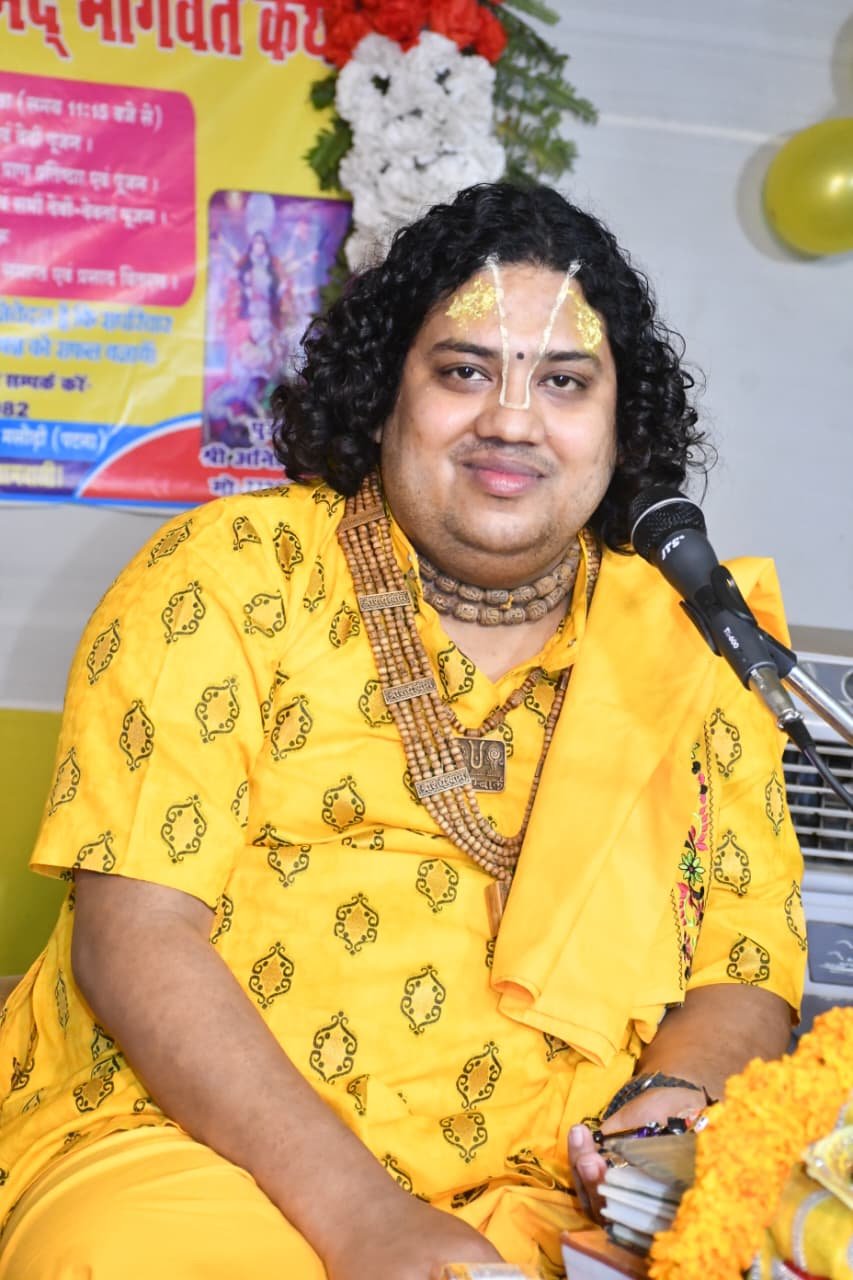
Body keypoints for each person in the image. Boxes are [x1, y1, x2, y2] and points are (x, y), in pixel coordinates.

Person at [0, 183, 806, 1280]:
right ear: (385, 394)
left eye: (564, 381)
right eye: (464, 371)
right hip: (194, 1155)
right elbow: (137, 933)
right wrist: (366, 1219)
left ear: (620, 427)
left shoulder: (691, 640)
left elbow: (744, 960)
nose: (512, 420)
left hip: (554, 1187)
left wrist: (661, 1119)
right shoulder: (230, 574)